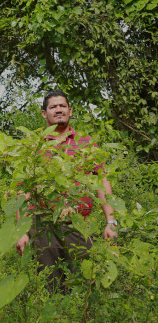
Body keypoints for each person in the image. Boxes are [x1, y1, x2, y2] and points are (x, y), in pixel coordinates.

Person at [15, 90, 118, 291]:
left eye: (62, 106)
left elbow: (102, 183)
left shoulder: (86, 143)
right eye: (53, 107)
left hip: (78, 224)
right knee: (51, 286)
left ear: (70, 111)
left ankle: (86, 320)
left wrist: (111, 221)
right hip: (43, 226)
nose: (59, 110)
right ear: (44, 114)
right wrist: (21, 231)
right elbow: (23, 192)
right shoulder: (33, 147)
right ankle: (56, 322)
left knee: (87, 282)